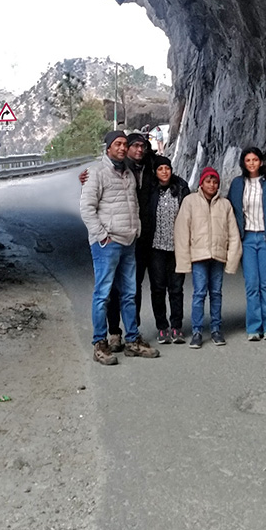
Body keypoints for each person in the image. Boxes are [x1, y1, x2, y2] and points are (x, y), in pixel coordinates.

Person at [79, 130, 159, 364]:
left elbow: (132, 204)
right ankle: (99, 342)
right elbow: (86, 209)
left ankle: (132, 339)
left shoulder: (128, 174)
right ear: (108, 148)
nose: (123, 148)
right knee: (103, 294)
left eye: (125, 144)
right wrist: (103, 236)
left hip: (128, 242)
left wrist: (136, 231)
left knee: (129, 293)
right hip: (108, 243)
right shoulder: (96, 173)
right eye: (118, 144)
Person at [174, 166, 242, 348]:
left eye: (214, 182)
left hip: (218, 254)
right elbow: (182, 231)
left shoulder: (225, 204)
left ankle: (216, 329)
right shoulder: (190, 202)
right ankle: (197, 331)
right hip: (199, 255)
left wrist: (232, 258)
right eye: (208, 181)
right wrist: (184, 260)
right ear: (201, 183)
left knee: (217, 293)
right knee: (199, 293)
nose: (211, 185)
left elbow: (233, 233)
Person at [227, 147, 266, 340]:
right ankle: (254, 327)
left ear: (261, 162)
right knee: (252, 284)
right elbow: (231, 208)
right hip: (248, 238)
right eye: (248, 160)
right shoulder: (237, 184)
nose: (251, 163)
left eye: (255, 160)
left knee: (265, 284)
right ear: (243, 163)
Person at [148, 156, 190, 343]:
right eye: (160, 169)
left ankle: (176, 327)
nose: (164, 172)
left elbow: (190, 213)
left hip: (177, 247)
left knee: (176, 288)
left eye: (167, 168)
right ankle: (162, 327)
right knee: (158, 288)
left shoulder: (181, 188)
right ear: (155, 172)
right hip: (156, 247)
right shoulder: (150, 189)